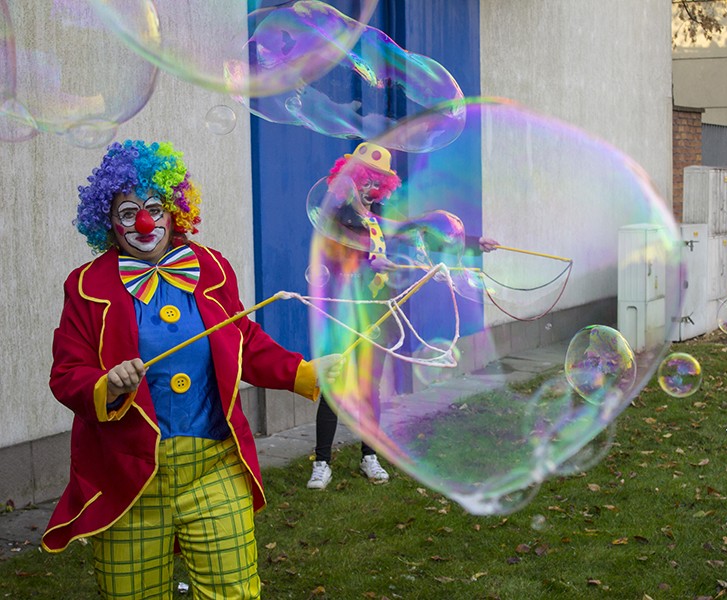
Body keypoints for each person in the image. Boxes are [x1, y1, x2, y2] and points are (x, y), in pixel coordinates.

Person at [42, 139, 341, 598]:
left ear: (174, 211)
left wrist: (304, 373)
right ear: (108, 220)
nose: (144, 222)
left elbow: (245, 344)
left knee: (234, 591)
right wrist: (106, 386)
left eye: (154, 208)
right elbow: (67, 373)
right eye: (128, 212)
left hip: (214, 466)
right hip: (128, 475)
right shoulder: (85, 286)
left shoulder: (211, 267)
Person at [306, 142, 498, 490]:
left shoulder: (380, 222)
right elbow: (330, 263)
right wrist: (367, 263)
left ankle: (370, 456)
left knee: (369, 388)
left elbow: (423, 234)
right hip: (348, 313)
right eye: (364, 182)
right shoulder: (336, 223)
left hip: (381, 313)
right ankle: (321, 462)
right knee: (334, 386)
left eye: (376, 184)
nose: (369, 190)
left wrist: (473, 242)